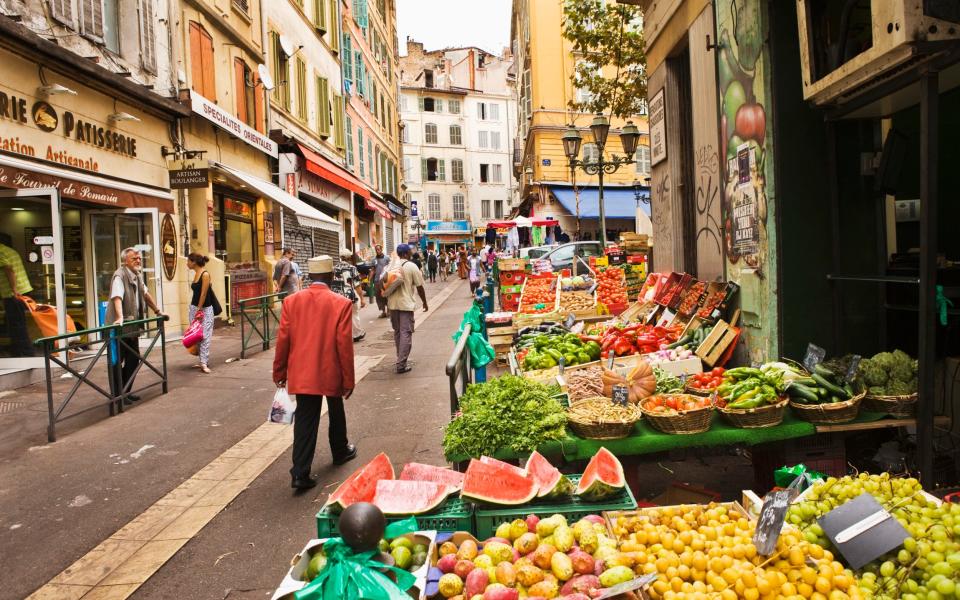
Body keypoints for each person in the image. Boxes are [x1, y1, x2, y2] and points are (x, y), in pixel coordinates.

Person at [273, 255, 358, 491]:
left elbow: (283, 341)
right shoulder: (341, 303)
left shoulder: (292, 302)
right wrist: (348, 379)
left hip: (303, 372)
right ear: (331, 276)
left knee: (305, 419)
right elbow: (344, 346)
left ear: (309, 277)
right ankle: (340, 450)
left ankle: (300, 472)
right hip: (330, 370)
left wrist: (279, 370)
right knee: (336, 409)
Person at [105, 247, 165, 404]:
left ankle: (125, 391)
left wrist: (158, 311)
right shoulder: (119, 276)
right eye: (134, 259)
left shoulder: (137, 276)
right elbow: (117, 297)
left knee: (133, 360)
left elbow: (145, 294)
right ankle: (117, 397)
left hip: (132, 328)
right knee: (116, 362)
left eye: (139, 258)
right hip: (118, 329)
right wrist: (119, 317)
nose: (138, 260)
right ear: (126, 261)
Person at [387, 244, 428, 374]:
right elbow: (420, 286)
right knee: (406, 333)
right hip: (405, 305)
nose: (411, 253)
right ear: (405, 254)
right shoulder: (411, 266)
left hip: (392, 305)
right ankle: (401, 364)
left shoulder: (392, 265)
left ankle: (400, 358)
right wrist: (425, 302)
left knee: (398, 332)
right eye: (410, 252)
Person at [186, 253, 222, 373]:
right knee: (196, 336)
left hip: (204, 309)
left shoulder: (205, 274)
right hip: (194, 308)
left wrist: (199, 309)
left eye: (188, 261)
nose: (187, 263)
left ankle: (204, 362)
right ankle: (201, 360)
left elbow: (203, 294)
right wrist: (194, 309)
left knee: (205, 336)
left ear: (194, 262)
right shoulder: (196, 273)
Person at [0, 234, 34, 357]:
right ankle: (17, 350)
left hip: (14, 293)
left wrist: (14, 290)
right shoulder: (9, 250)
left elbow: (9, 270)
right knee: (17, 323)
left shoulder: (0, 252)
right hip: (20, 290)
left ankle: (25, 352)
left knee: (16, 324)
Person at [333, 248, 366, 342]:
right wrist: (362, 298)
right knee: (354, 314)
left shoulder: (334, 268)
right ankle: (357, 334)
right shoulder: (352, 268)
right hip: (349, 295)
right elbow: (357, 285)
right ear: (349, 257)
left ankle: (342, 335)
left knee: (341, 316)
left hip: (337, 296)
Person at [372, 244, 391, 318]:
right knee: (378, 296)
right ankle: (383, 311)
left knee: (387, 295)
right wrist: (369, 279)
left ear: (381, 249)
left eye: (379, 249)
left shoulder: (387, 258)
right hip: (377, 280)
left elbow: (390, 267)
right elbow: (373, 270)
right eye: (376, 249)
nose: (377, 251)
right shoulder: (374, 259)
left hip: (385, 280)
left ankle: (389, 310)